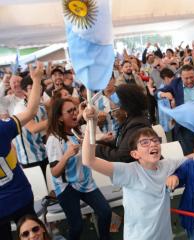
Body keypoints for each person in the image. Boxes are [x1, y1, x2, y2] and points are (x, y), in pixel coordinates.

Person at [81, 107, 186, 239]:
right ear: (134, 154)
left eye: (155, 140)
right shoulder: (129, 171)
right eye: (145, 142)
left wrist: (176, 175)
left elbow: (193, 158)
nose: (152, 144)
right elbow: (89, 160)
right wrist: (91, 123)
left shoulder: (166, 165)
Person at [46, 98, 112, 240]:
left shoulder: (77, 131)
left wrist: (102, 138)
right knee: (77, 226)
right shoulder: (54, 140)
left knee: (105, 212)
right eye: (69, 111)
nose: (75, 113)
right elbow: (54, 172)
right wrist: (67, 156)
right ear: (59, 118)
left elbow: (88, 139)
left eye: (74, 109)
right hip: (66, 186)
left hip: (85, 182)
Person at [0, 62, 43, 240]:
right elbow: (32, 110)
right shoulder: (2, 129)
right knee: (33, 236)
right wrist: (37, 79)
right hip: (21, 196)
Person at [158, 64, 194, 154]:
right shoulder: (175, 84)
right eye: (186, 78)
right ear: (181, 77)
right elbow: (158, 92)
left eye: (191, 77)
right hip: (185, 125)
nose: (189, 80)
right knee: (189, 154)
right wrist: (162, 94)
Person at [95, 84, 150, 163]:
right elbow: (120, 144)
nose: (114, 115)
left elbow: (122, 156)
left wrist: (96, 149)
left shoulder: (137, 125)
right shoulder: (130, 119)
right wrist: (98, 142)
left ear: (125, 106)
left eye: (114, 111)